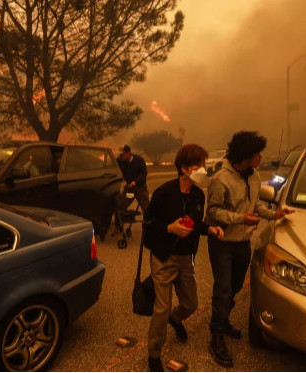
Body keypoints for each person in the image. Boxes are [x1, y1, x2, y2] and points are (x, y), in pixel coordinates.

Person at [205, 131, 294, 367]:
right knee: (223, 289)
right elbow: (212, 213)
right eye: (257, 154)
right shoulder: (220, 179)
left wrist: (275, 214)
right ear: (245, 155)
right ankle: (216, 336)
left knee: (234, 287)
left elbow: (255, 206)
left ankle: (222, 320)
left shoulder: (254, 176)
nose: (261, 157)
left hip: (243, 243)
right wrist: (240, 218)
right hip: (222, 243)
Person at [144, 144, 224, 372]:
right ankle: (153, 354)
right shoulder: (163, 193)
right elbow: (148, 222)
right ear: (185, 168)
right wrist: (169, 228)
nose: (204, 169)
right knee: (161, 308)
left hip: (185, 258)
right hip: (163, 257)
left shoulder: (199, 195)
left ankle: (176, 318)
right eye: (200, 165)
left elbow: (196, 224)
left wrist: (210, 230)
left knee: (191, 303)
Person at [113, 145, 150, 234]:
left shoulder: (139, 160)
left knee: (146, 208)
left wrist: (135, 182)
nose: (120, 156)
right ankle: (118, 226)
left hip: (140, 187)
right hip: (129, 188)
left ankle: (149, 227)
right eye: (119, 155)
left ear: (128, 153)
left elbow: (144, 174)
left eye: (122, 154)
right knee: (120, 205)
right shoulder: (120, 162)